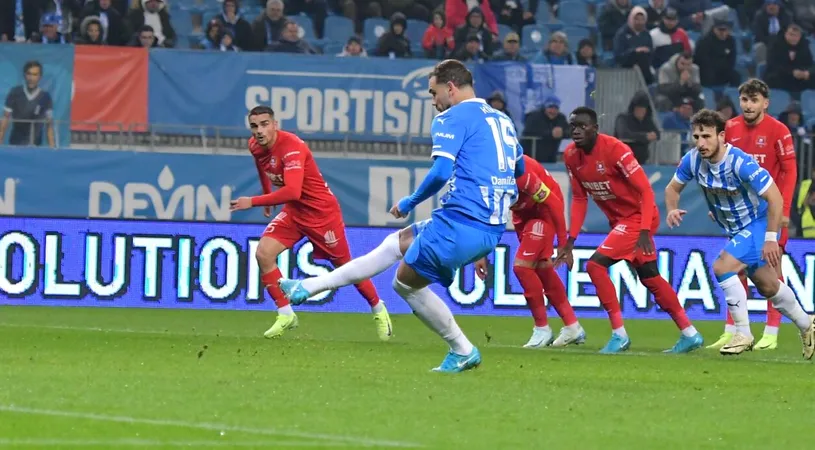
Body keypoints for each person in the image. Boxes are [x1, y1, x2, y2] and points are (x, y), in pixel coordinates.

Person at [280, 60, 551, 372]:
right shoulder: (503, 120)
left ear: (451, 88)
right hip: (488, 227)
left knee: (405, 285)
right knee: (393, 245)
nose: (433, 101)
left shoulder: (451, 118)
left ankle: (462, 349)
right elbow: (518, 170)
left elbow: (440, 173)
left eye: (434, 93)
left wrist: (410, 201)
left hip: (461, 222)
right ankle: (307, 288)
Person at [229, 106, 393, 341]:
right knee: (263, 253)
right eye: (254, 126)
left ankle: (378, 308)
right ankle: (286, 314)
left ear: (275, 124)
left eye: (265, 124)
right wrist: (267, 197)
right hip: (295, 213)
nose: (259, 130)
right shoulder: (255, 146)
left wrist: (253, 201)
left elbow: (293, 191)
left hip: (321, 214)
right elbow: (262, 167)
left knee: (345, 267)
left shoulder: (292, 147)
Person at [664, 109, 815, 357]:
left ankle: (742, 333)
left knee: (722, 267)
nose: (701, 143)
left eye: (707, 136)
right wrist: (671, 209)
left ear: (722, 136)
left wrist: (770, 238)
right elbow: (672, 189)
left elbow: (775, 197)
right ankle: (807, 325)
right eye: (697, 136)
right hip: (736, 229)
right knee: (768, 286)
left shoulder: (741, 162)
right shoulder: (692, 160)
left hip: (757, 224)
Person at [554, 107, 703, 354]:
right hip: (620, 221)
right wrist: (570, 240)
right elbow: (579, 199)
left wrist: (644, 229)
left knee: (594, 266)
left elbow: (646, 191)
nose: (576, 131)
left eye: (582, 126)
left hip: (638, 218)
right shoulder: (571, 156)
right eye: (573, 126)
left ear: (595, 129)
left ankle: (619, 335)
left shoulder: (616, 150)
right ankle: (690, 333)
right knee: (650, 276)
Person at [705, 79, 798, 351]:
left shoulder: (779, 132)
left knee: (772, 267)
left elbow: (790, 172)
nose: (748, 105)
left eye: (754, 100)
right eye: (744, 99)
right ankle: (732, 330)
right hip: (739, 210)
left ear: (765, 103)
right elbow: (717, 165)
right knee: (736, 268)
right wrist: (717, 202)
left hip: (769, 212)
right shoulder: (729, 128)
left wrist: (784, 212)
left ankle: (771, 332)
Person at [475, 155, 585, 348]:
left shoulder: (521, 174)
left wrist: (563, 243)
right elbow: (486, 216)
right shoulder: (482, 178)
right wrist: (479, 254)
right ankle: (572, 326)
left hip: (544, 211)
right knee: (542, 269)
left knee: (522, 268)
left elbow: (553, 203)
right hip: (521, 214)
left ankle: (542, 328)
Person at [0, 61, 55, 147]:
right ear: (25, 75)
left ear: (40, 77)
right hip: (15, 145)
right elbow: (4, 120)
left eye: (35, 74)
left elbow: (49, 126)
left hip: (36, 147)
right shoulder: (15, 92)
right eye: (29, 74)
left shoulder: (46, 97)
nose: (31, 78)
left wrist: (53, 149)